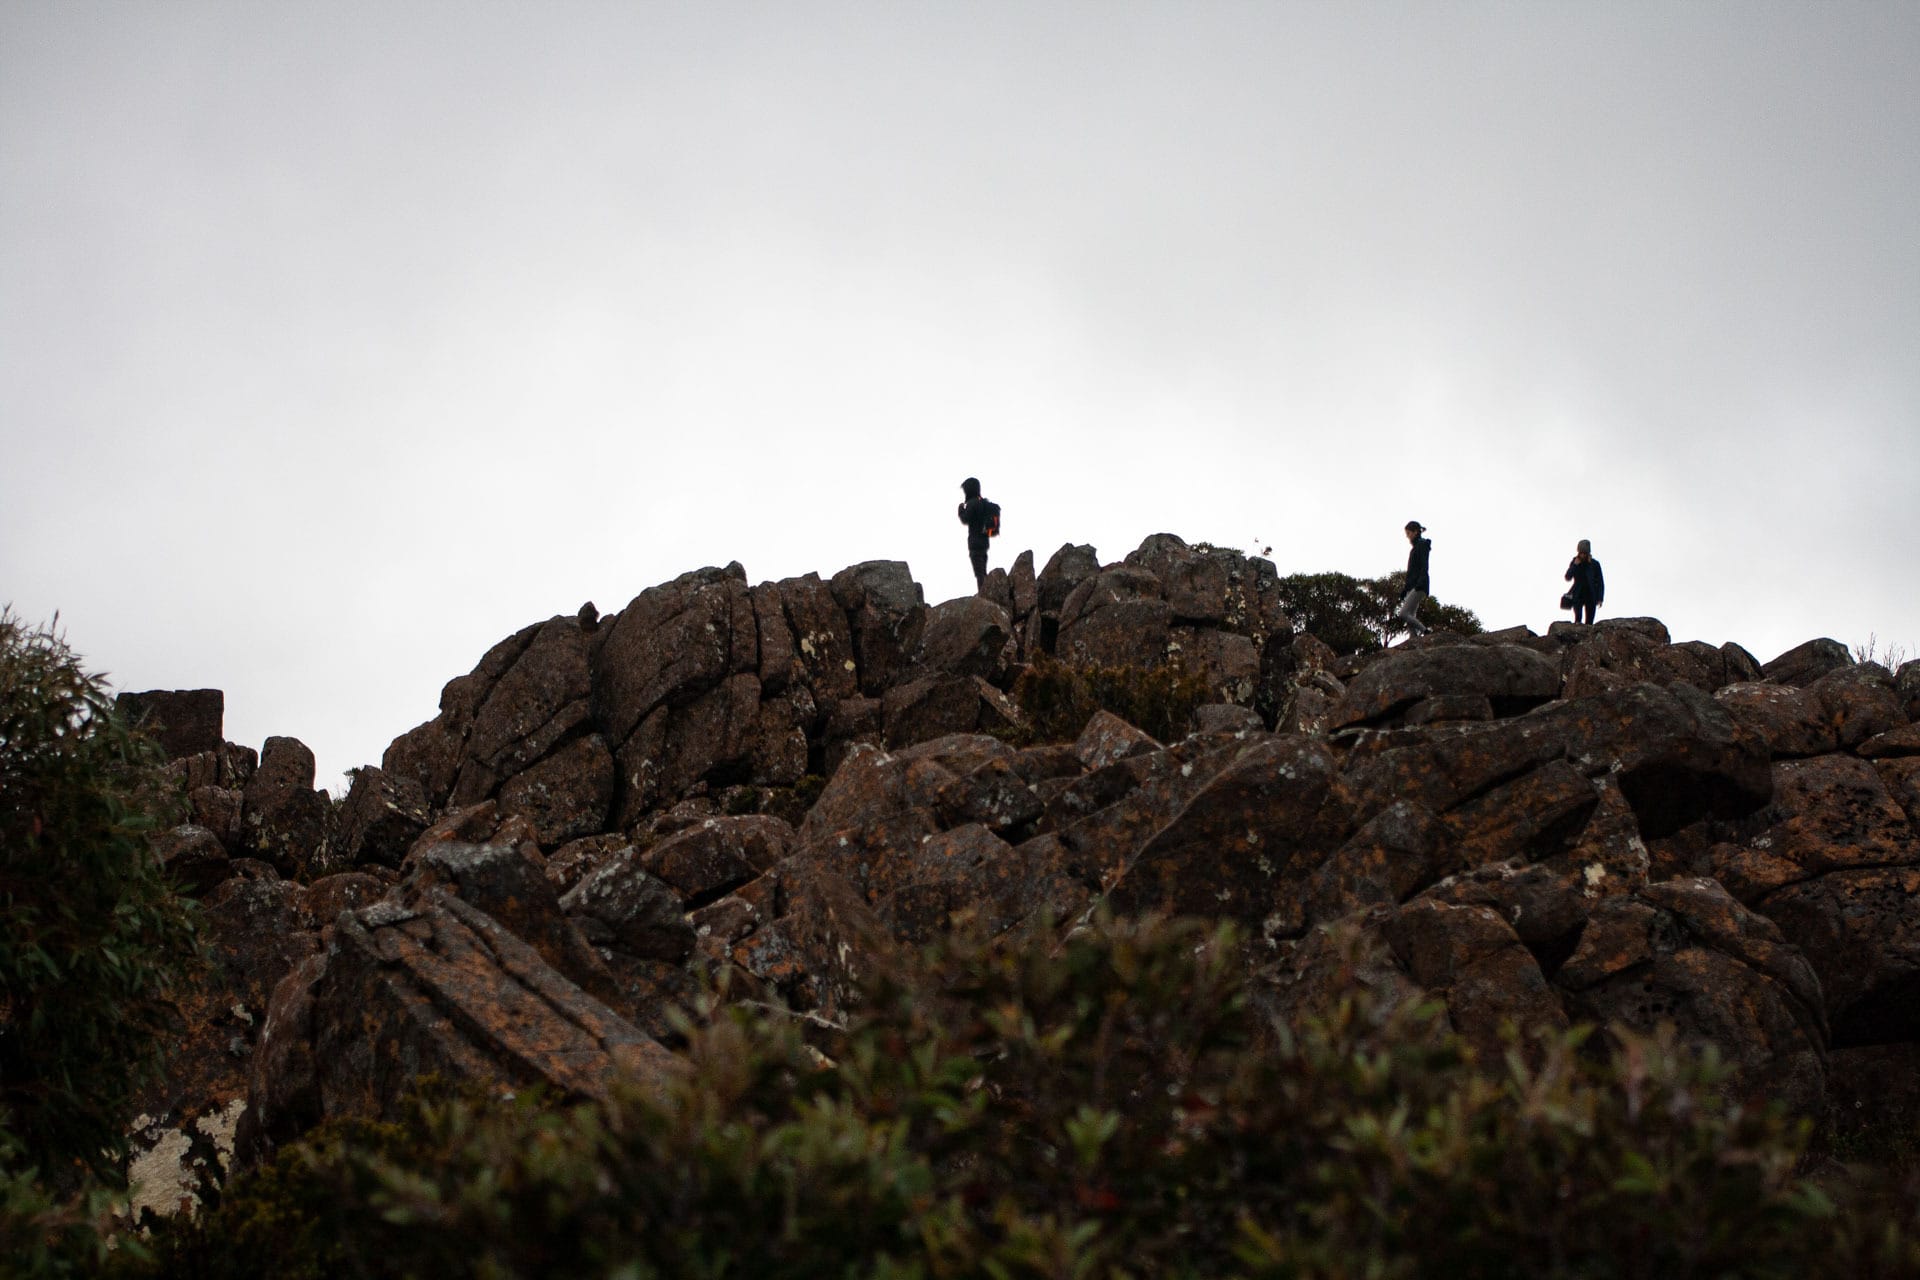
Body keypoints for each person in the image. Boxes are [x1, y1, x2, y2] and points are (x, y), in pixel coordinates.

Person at [957, 477, 997, 593]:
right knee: (983, 570)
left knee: (979, 573)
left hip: (974, 542)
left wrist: (960, 510)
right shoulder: (983, 503)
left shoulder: (972, 503)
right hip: (984, 542)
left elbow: (965, 519)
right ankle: (986, 593)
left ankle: (983, 595)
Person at [1397, 521, 1431, 638]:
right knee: (1410, 615)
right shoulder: (1415, 548)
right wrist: (1405, 589)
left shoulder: (1422, 545)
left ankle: (1425, 631)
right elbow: (1412, 572)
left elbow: (1424, 565)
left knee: (1403, 613)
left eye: (1409, 533)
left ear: (1415, 532)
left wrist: (1421, 582)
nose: (1407, 536)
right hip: (1413, 586)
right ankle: (1414, 639)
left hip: (1420, 585)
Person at [1564, 539, 1604, 625]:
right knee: (1578, 620)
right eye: (1581, 553)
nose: (1582, 555)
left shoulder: (1595, 564)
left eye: (1584, 553)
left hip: (1591, 594)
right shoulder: (1575, 562)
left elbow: (1600, 582)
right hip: (1578, 594)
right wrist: (1575, 565)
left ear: (1588, 553)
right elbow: (1567, 577)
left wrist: (1600, 598)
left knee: (1589, 622)